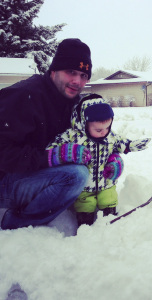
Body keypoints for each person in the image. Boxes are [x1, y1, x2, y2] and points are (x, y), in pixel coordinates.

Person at [0, 38, 93, 230]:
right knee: (76, 176)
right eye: (71, 72)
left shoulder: (72, 102)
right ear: (54, 70)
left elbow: (91, 137)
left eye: (83, 75)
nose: (77, 81)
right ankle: (17, 223)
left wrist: (110, 158)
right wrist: (50, 158)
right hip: (5, 181)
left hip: (33, 176)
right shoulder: (23, 96)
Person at [47, 96, 151, 226]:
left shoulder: (110, 136)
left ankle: (110, 216)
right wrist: (67, 152)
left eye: (107, 128)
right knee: (85, 203)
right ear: (84, 123)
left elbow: (119, 142)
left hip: (106, 181)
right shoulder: (72, 136)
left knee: (109, 197)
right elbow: (51, 149)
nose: (104, 133)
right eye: (98, 130)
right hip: (84, 185)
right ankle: (85, 221)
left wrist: (130, 145)